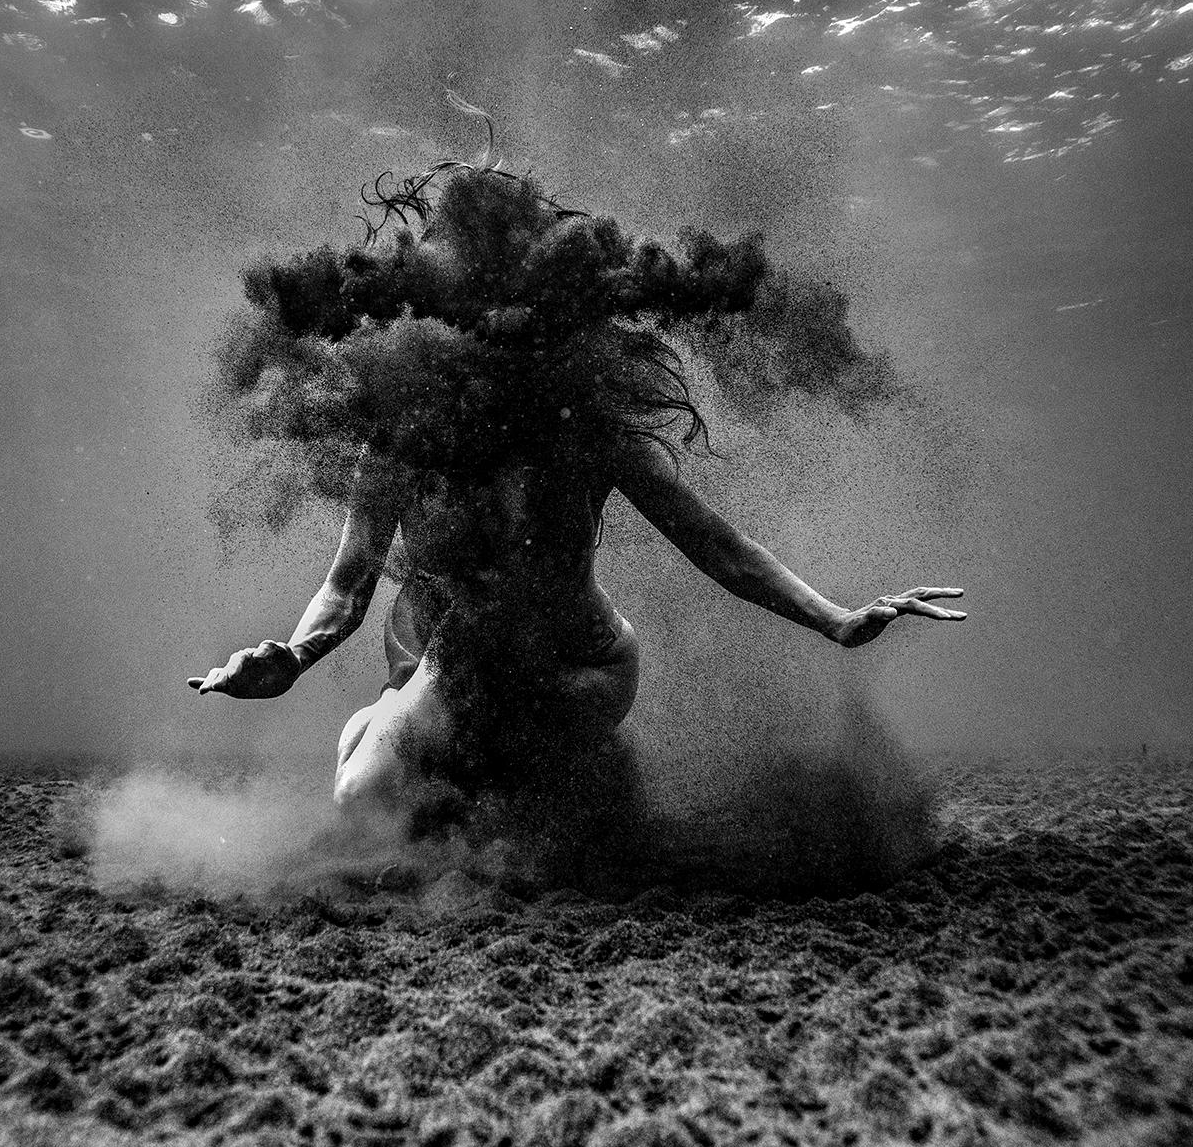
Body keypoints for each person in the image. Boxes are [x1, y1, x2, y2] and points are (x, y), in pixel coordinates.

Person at [188, 162, 965, 812]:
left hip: (577, 671)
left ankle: (494, 765)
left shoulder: (589, 426)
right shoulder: (400, 427)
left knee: (525, 799)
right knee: (366, 797)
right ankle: (398, 729)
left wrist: (836, 620)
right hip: (444, 664)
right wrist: (294, 656)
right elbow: (347, 583)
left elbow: (719, 546)